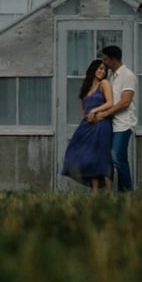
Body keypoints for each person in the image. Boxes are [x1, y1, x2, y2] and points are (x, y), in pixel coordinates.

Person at [59, 57, 115, 191]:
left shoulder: (104, 84)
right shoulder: (87, 86)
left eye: (105, 70)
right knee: (87, 156)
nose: (102, 72)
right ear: (93, 69)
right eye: (100, 68)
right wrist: (86, 114)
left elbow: (110, 103)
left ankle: (109, 193)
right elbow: (84, 106)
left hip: (101, 124)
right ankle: (94, 193)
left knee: (102, 157)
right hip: (87, 125)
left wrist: (95, 110)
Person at [95, 43, 137, 193]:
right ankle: (120, 192)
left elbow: (125, 102)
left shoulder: (127, 76)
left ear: (113, 60)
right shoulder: (112, 77)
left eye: (105, 59)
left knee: (118, 158)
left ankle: (127, 191)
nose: (104, 62)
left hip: (124, 124)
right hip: (112, 125)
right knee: (114, 159)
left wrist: (105, 114)